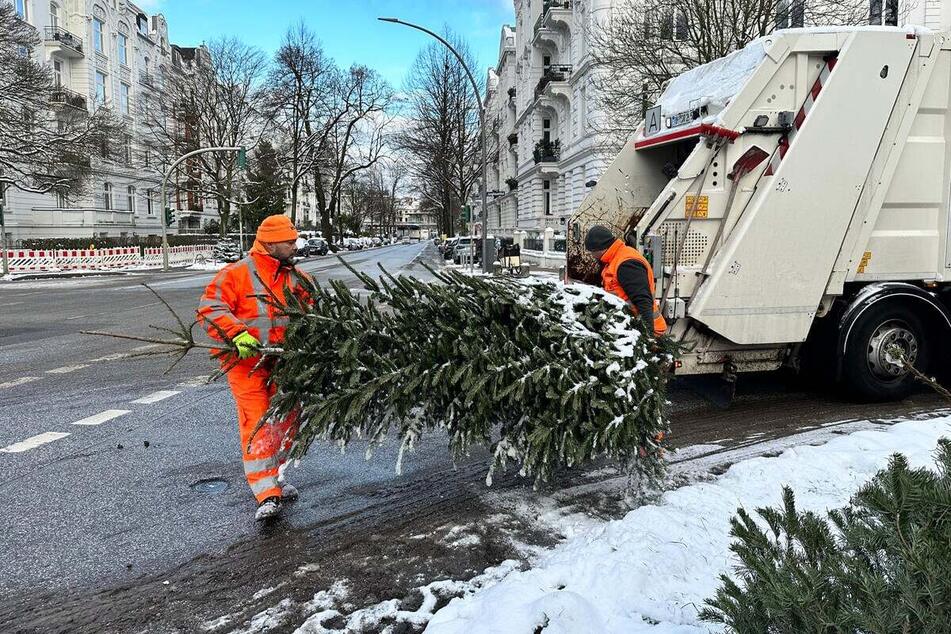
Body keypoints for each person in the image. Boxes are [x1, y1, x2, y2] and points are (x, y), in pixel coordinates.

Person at [197, 215, 311, 521]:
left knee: (287, 419)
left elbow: (315, 314)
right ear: (272, 242)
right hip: (246, 364)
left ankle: (276, 476)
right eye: (289, 241)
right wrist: (237, 333)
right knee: (258, 421)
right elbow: (210, 309)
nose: (294, 245)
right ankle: (265, 493)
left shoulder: (297, 278)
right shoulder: (236, 274)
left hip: (285, 361)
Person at [583, 225, 668, 337]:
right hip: (632, 327)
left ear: (599, 248)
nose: (592, 256)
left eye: (592, 252)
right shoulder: (615, 258)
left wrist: (648, 337)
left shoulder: (626, 264)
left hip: (644, 331)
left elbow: (643, 301)